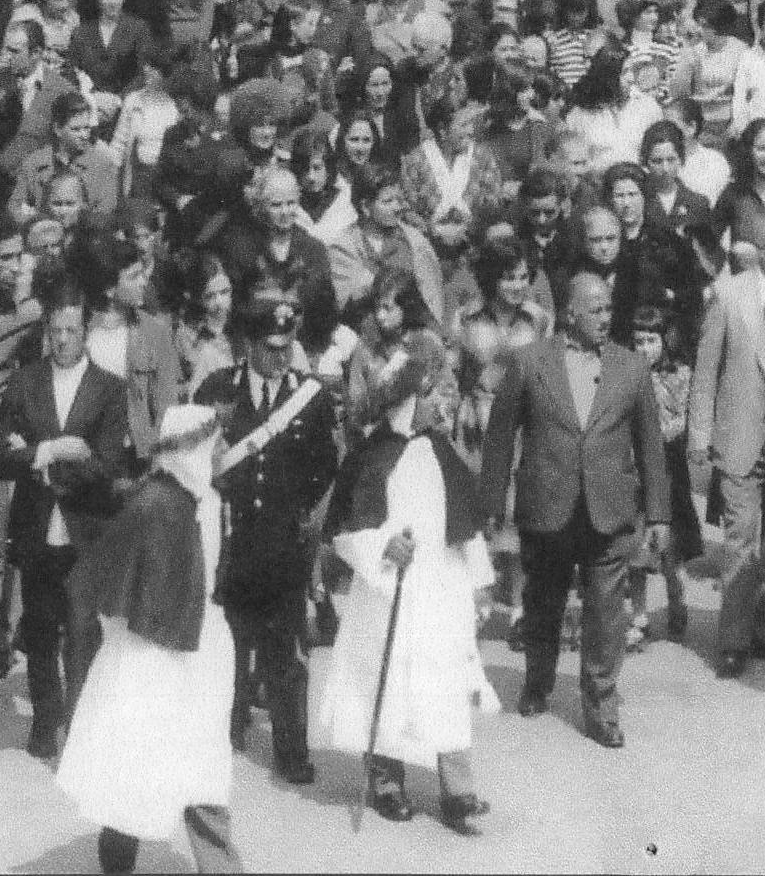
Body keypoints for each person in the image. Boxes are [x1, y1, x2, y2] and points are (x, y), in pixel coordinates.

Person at [477, 267, 667, 747]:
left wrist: (659, 514)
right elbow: (500, 438)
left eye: (609, 308)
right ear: (571, 313)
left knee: (607, 612)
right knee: (544, 603)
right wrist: (491, 505)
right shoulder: (529, 362)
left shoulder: (630, 366)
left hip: (610, 508)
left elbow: (650, 446)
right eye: (596, 309)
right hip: (548, 504)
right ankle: (538, 682)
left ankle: (601, 705)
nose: (606, 317)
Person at [54, 404, 241, 876]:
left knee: (204, 769)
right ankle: (117, 866)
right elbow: (101, 583)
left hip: (200, 655)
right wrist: (138, 637)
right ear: (191, 448)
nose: (221, 449)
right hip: (147, 660)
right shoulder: (151, 504)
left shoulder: (212, 501)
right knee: (132, 775)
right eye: (213, 440)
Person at [314, 343, 493, 832]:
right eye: (437, 392)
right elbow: (345, 528)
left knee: (446, 681)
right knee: (386, 681)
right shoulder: (371, 455)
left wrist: (479, 580)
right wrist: (382, 546)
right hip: (389, 590)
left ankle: (458, 790)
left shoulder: (440, 450)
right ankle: (386, 781)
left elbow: (466, 522)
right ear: (411, 397)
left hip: (439, 588)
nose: (446, 402)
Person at [199, 294, 339, 788]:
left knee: (287, 652)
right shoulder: (219, 390)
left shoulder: (311, 396)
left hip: (284, 544)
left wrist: (308, 520)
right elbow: (198, 460)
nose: (283, 357)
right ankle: (226, 730)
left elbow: (326, 467)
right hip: (233, 543)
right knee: (228, 646)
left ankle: (291, 749)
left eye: (289, 346)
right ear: (249, 345)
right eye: (272, 347)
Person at [0, 285, 131, 762]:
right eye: (56, 331)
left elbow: (109, 462)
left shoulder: (109, 389)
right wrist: (50, 451)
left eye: (73, 330)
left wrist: (45, 462)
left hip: (86, 525)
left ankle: (81, 723)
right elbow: (0, 458)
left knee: (82, 629)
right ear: (46, 332)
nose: (64, 340)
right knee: (40, 626)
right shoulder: (24, 382)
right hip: (35, 523)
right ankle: (45, 717)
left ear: (86, 331)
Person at [688, 213, 765, 677]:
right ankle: (734, 640)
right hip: (740, 429)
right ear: (759, 250)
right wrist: (701, 436)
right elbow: (706, 372)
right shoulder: (729, 296)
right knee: (739, 539)